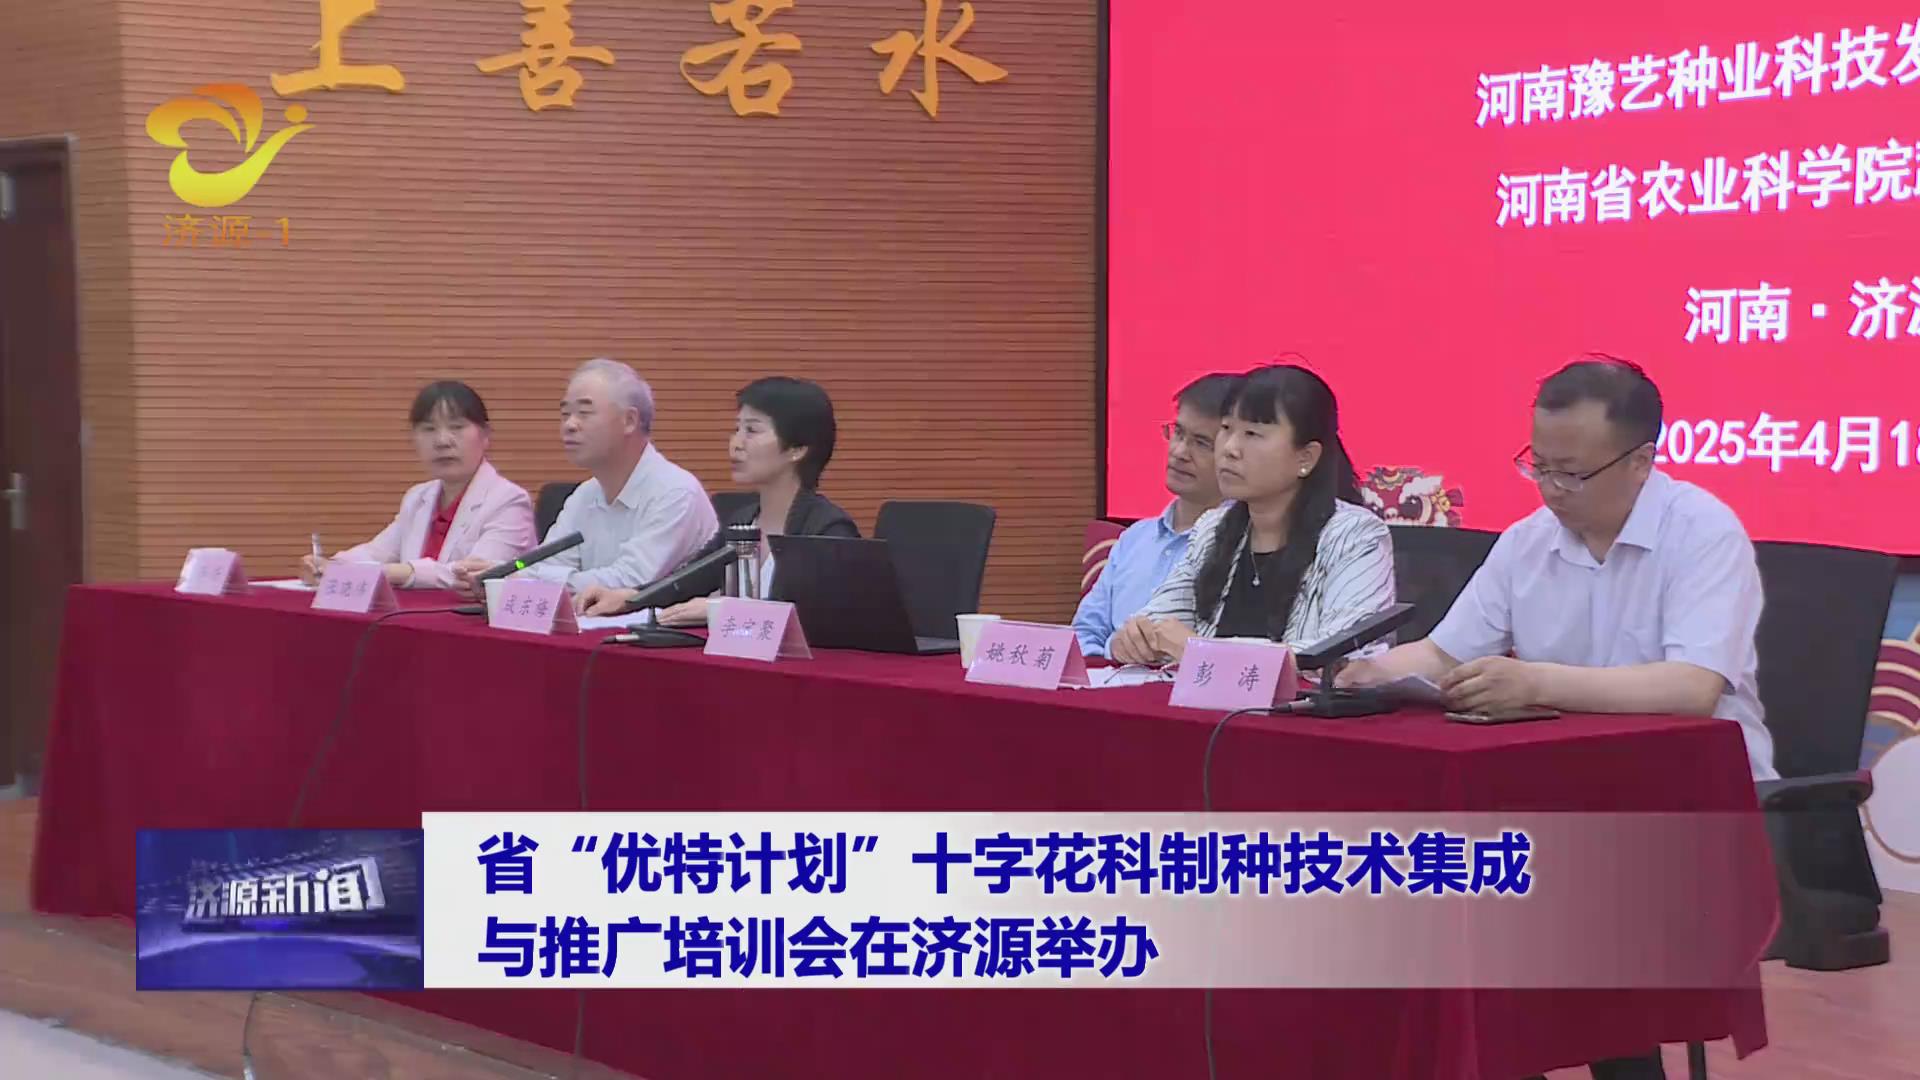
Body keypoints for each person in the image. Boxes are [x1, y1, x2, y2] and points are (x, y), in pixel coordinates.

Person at [1340, 355, 1776, 782]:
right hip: (1566, 778)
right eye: (1539, 467)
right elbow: (1444, 655)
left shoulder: (1703, 531)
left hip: (1699, 785)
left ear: (1640, 462)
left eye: (1571, 473)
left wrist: (1536, 684)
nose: (1550, 489)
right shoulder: (1527, 540)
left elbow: (1693, 687)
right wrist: (1367, 673)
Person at [1107, 363, 1395, 665]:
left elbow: (1348, 655)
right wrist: (1135, 640)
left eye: (1253, 434)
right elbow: (1158, 624)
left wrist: (1203, 652)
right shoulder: (1213, 528)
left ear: (1306, 458)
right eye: (1226, 429)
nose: (1229, 449)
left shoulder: (1356, 535)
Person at [578, 376, 858, 622]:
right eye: (736, 429)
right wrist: (630, 597)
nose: (735, 444)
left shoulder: (827, 529)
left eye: (752, 431)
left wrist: (725, 610)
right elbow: (687, 582)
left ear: (797, 449)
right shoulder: (743, 520)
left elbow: (821, 618)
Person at [453, 358, 716, 604]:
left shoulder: (675, 492)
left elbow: (631, 580)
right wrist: (504, 574)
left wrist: (524, 579)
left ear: (629, 421)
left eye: (584, 412)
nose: (569, 425)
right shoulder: (585, 494)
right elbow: (543, 563)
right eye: (565, 413)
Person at [301, 380, 534, 589]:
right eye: (429, 429)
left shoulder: (509, 501)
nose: (442, 441)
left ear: (485, 435)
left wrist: (398, 572)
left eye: (456, 427)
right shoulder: (418, 496)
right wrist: (330, 565)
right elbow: (377, 552)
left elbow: (478, 574)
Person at [1073, 372, 1239, 657]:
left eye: (1201, 443)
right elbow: (1083, 634)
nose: (1180, 452)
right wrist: (1113, 650)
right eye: (1178, 433)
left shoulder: (1246, 545)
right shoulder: (1134, 539)